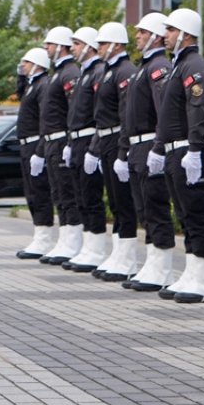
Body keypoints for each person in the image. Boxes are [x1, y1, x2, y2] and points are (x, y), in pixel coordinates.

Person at [152, 8, 204, 303]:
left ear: (186, 34)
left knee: (196, 214)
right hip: (176, 149)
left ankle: (202, 280)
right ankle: (192, 272)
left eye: (171, 30)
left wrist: (194, 149)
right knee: (185, 215)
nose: (165, 36)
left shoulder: (194, 65)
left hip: (190, 150)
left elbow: (198, 110)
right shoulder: (180, 65)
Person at [121, 13, 176, 291]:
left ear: (155, 36)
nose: (137, 36)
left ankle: (163, 268)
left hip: (150, 144)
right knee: (144, 209)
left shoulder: (159, 67)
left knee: (155, 208)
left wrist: (158, 147)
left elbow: (162, 110)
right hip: (138, 146)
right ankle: (153, 263)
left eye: (143, 32)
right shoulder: (145, 66)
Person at [87, 22, 139, 281]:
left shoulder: (125, 71)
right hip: (106, 140)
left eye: (103, 44)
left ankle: (127, 258)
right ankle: (119, 253)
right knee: (116, 203)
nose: (99, 49)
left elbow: (125, 114)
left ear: (116, 44)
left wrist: (123, 150)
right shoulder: (109, 71)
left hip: (118, 138)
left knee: (124, 202)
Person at [61, 27, 110, 272]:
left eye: (78, 44)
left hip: (90, 140)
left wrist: (95, 148)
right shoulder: (85, 73)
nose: (73, 49)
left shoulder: (98, 72)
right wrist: (71, 144)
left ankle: (97, 249)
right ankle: (89, 247)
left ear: (89, 46)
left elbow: (99, 115)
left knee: (91, 198)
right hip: (78, 141)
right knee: (81, 197)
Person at [33, 26, 83, 265]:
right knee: (58, 193)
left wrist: (70, 141)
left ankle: (72, 241)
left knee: (67, 192)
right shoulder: (58, 72)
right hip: (52, 142)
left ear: (61, 46)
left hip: (62, 139)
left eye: (49, 45)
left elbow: (74, 110)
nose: (46, 49)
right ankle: (64, 239)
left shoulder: (70, 72)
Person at [15, 48, 57, 259]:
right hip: (26, 144)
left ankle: (45, 237)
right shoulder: (32, 85)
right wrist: (20, 77)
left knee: (39, 191)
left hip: (35, 143)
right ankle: (39, 233)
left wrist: (40, 149)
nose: (23, 66)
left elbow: (44, 119)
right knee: (31, 192)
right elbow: (20, 94)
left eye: (27, 63)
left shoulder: (43, 85)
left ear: (38, 63)